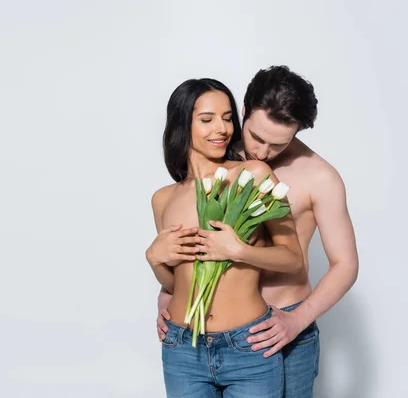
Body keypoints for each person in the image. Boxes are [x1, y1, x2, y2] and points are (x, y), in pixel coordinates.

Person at [150, 66, 359, 397]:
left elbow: (345, 265)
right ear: (243, 112)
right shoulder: (218, 152)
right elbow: (186, 238)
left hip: (282, 325)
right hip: (204, 331)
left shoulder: (321, 177)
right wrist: (170, 297)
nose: (262, 153)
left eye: (278, 144)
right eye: (256, 137)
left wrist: (297, 320)